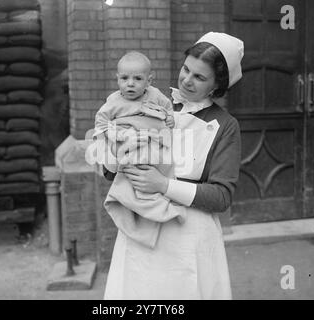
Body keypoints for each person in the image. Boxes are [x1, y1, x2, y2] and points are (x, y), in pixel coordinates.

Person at [102, 32, 244, 300]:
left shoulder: (225, 126)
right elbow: (112, 172)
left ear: (217, 85)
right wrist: (111, 151)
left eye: (200, 77)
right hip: (141, 230)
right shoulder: (150, 103)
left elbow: (221, 196)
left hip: (188, 237)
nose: (187, 80)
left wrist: (163, 185)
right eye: (186, 69)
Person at [93, 51, 186, 249]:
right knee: (133, 176)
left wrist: (170, 118)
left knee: (164, 166)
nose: (130, 83)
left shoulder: (155, 95)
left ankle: (158, 203)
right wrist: (116, 135)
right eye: (124, 78)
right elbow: (100, 122)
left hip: (154, 141)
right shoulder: (114, 102)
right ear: (117, 79)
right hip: (128, 143)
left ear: (149, 81)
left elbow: (168, 109)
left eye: (138, 78)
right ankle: (142, 208)